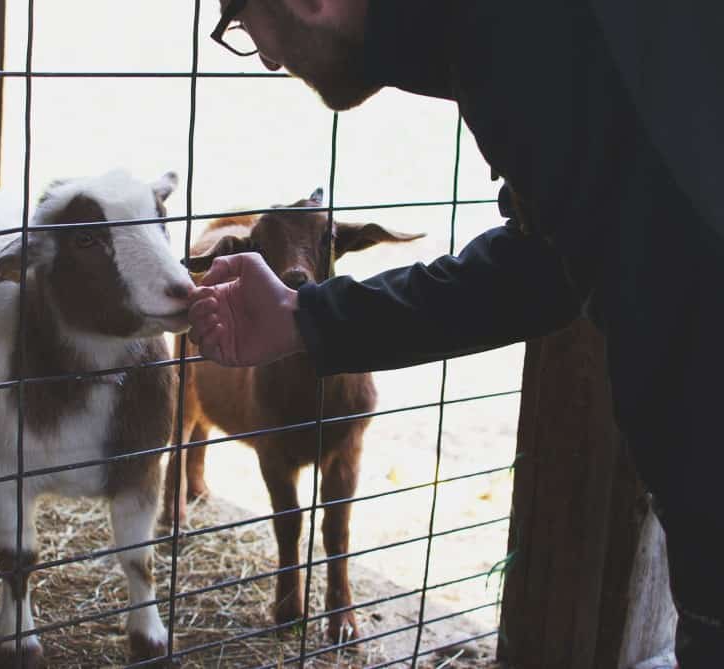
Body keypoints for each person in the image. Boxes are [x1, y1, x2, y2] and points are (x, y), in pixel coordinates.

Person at [187, 1, 724, 666]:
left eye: (242, 19)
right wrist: (310, 317)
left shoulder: (511, 32)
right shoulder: (490, 35)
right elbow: (551, 261)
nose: (266, 54)